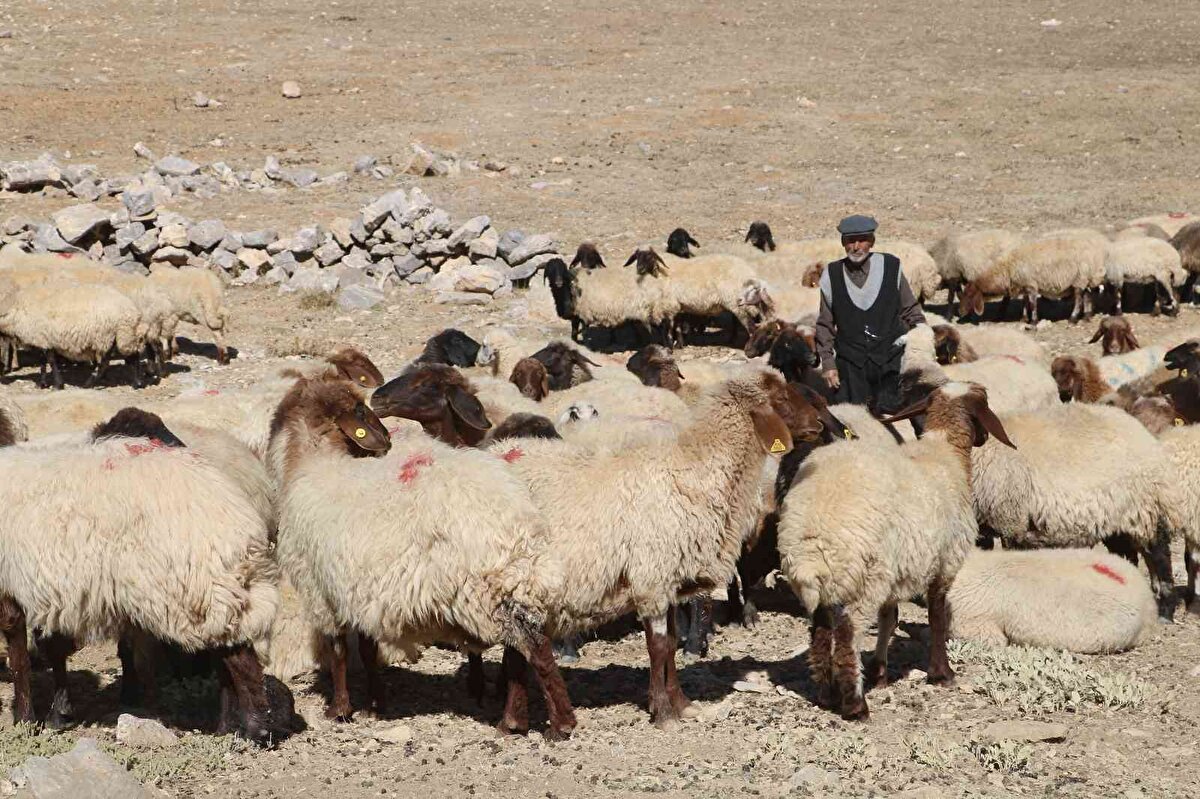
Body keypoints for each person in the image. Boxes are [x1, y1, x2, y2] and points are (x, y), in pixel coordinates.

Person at [814, 214, 926, 413]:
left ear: (872, 241)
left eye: (862, 240)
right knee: (856, 423)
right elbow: (825, 324)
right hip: (851, 365)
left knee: (903, 417)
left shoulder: (891, 267)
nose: (856, 246)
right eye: (850, 241)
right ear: (843, 242)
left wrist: (923, 346)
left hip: (891, 361)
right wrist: (828, 364)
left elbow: (911, 310)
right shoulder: (831, 275)